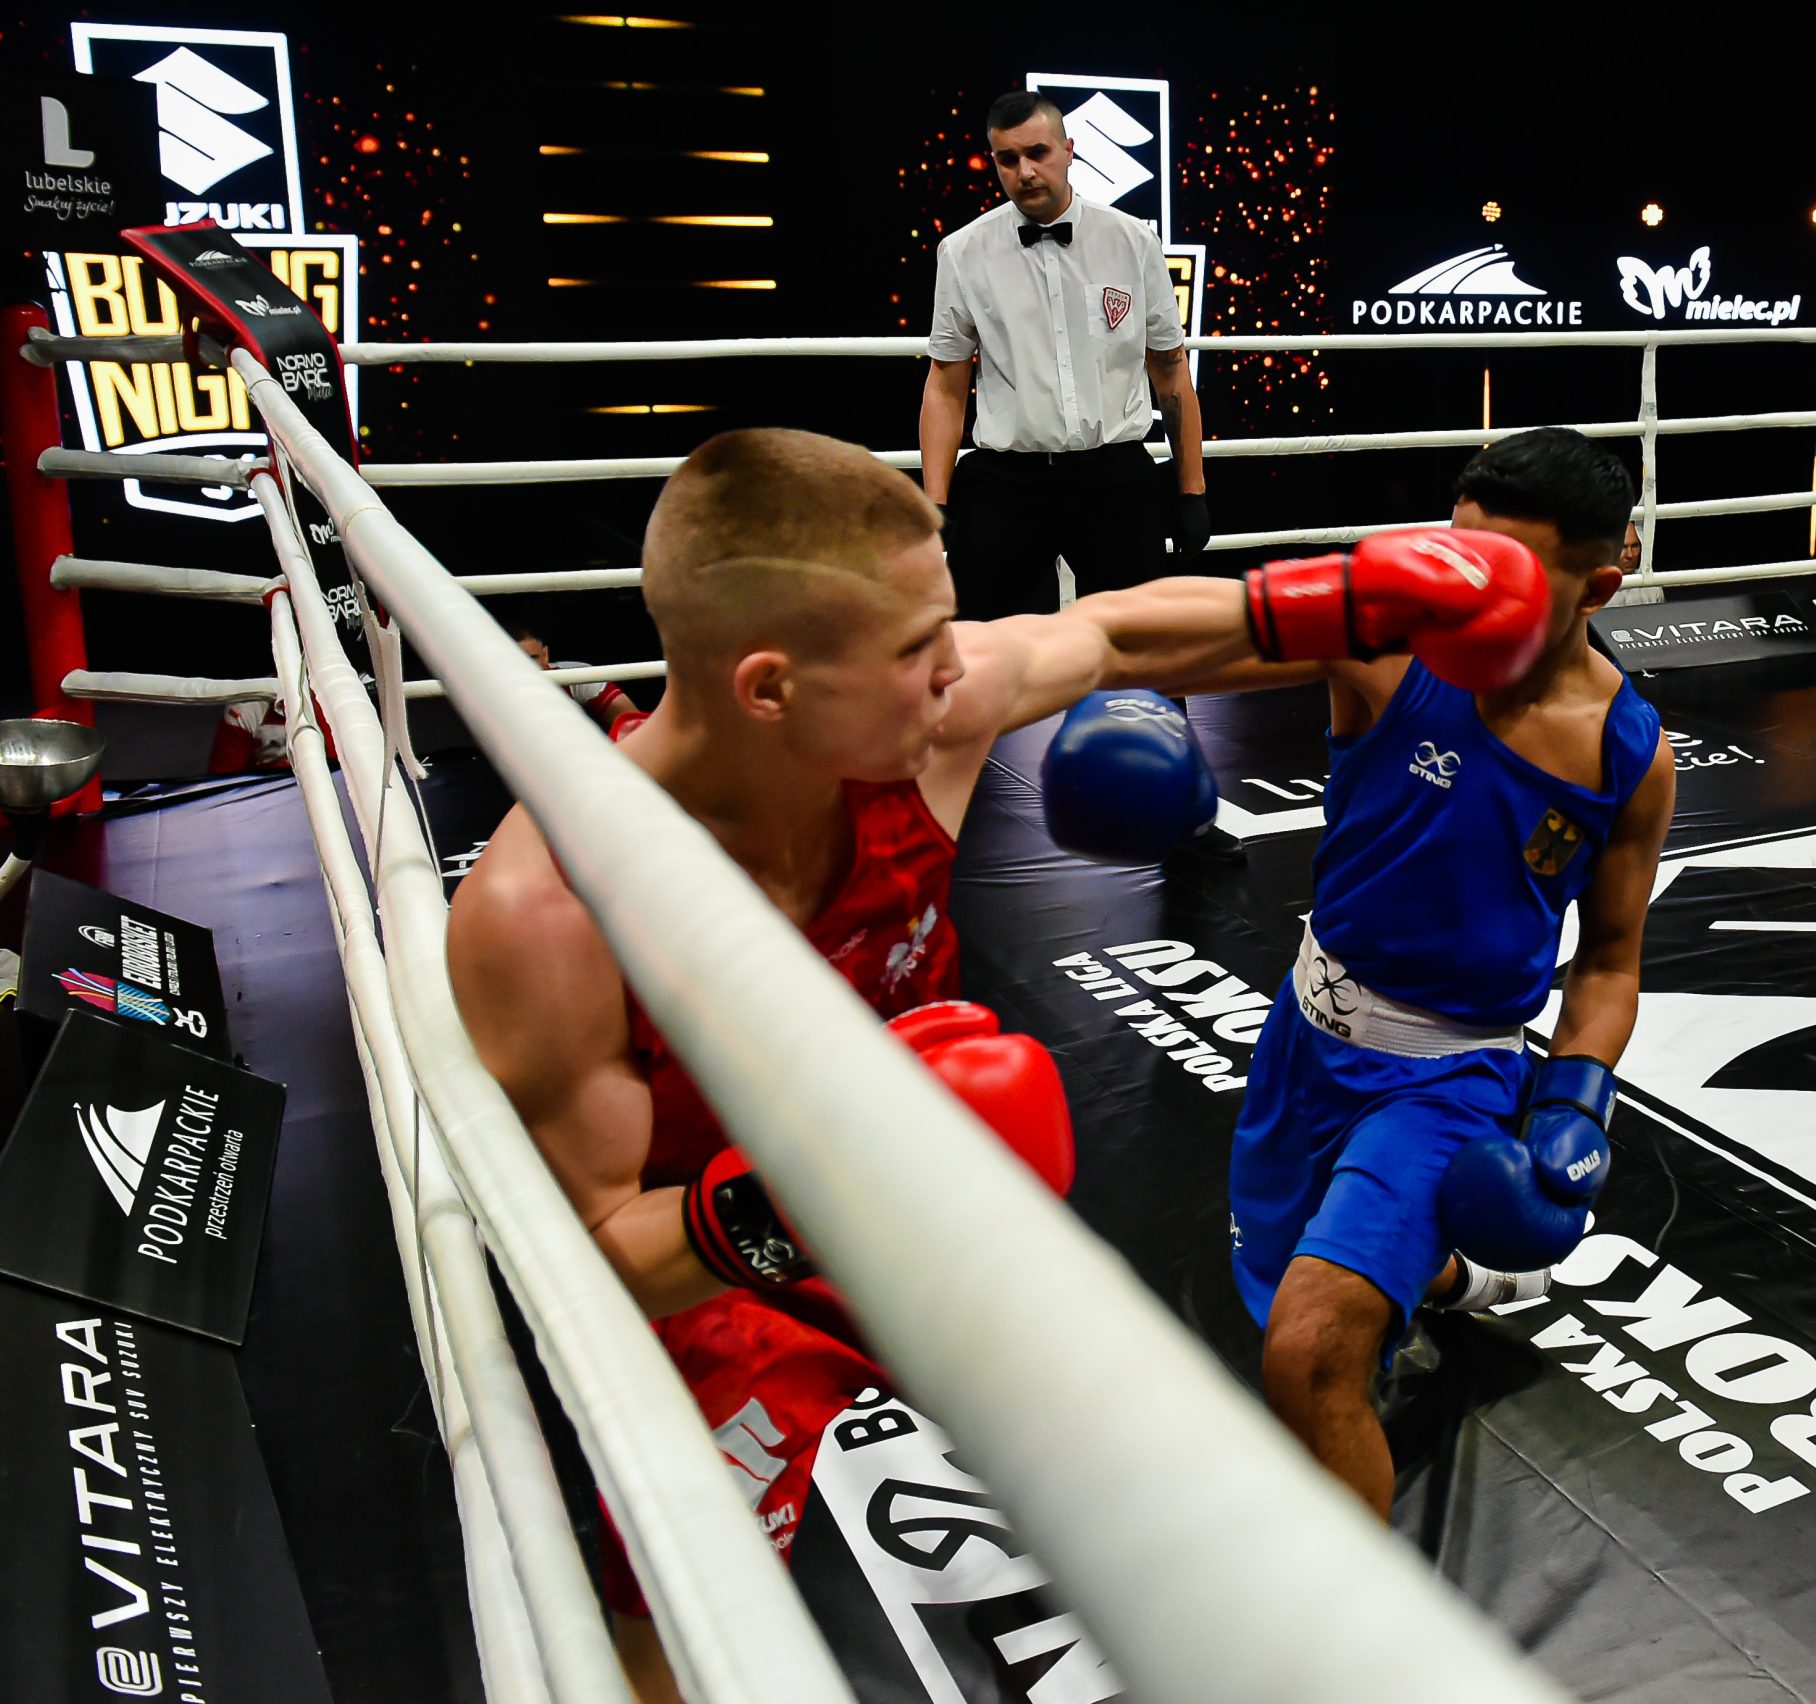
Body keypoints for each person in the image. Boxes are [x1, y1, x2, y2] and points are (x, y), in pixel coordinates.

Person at [443, 427, 1541, 1694]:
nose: (956, 669)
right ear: (770, 688)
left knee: (1117, 1444)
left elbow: (1113, 634)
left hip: (920, 1175)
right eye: (918, 649)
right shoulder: (548, 915)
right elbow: (586, 1261)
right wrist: (806, 1182)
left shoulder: (927, 722)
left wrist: (1351, 603)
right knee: (686, 1583)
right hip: (714, 1264)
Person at [1223, 428, 1675, 1519]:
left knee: (1311, 1354)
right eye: (1459, 555)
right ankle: (1466, 1272)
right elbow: (1188, 638)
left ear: (1597, 588)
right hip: (1307, 1034)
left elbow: (1610, 960)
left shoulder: (1626, 751)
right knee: (1284, 1281)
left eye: (1506, 573)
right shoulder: (1388, 646)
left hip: (1449, 1080)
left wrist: (1574, 1100)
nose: (1466, 590)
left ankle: (1356, 1620)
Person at [919, 90, 1210, 619]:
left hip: (1114, 475)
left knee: (1136, 642)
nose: (1026, 172)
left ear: (1069, 150)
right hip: (1006, 481)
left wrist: (1192, 492)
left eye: (1038, 153)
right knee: (987, 649)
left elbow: (1170, 370)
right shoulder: (962, 252)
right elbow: (946, 382)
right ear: (994, 162)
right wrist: (934, 501)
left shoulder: (1132, 241)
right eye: (1009, 159)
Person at [507, 621, 642, 735]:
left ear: (545, 654)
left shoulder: (576, 674)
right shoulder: (497, 691)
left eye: (532, 658)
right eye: (515, 659)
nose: (525, 666)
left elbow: (633, 724)